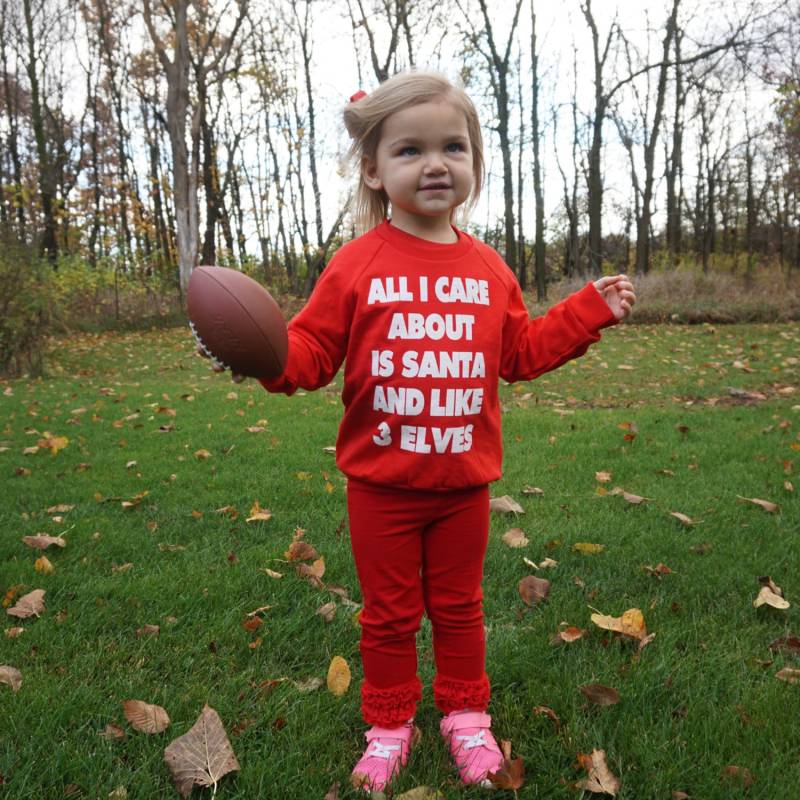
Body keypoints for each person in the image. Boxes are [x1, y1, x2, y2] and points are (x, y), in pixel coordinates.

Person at [205, 70, 635, 792]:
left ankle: (467, 718)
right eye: (410, 150)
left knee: (462, 608)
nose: (435, 163)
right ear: (374, 170)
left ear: (473, 163)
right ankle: (389, 724)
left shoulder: (489, 269)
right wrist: (259, 352)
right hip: (382, 485)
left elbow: (519, 355)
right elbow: (310, 354)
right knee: (389, 614)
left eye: (453, 147)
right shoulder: (356, 265)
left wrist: (583, 312)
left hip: (464, 483)